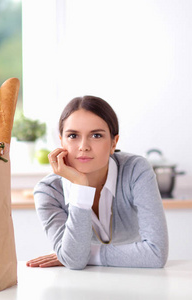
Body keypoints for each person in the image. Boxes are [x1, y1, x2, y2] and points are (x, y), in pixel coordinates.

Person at [26, 95, 169, 270]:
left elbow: (155, 254)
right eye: (73, 135)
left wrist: (86, 254)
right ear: (61, 141)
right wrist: (80, 186)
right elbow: (75, 262)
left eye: (96, 135)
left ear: (113, 143)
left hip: (141, 279)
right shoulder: (48, 191)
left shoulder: (135, 170)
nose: (83, 146)